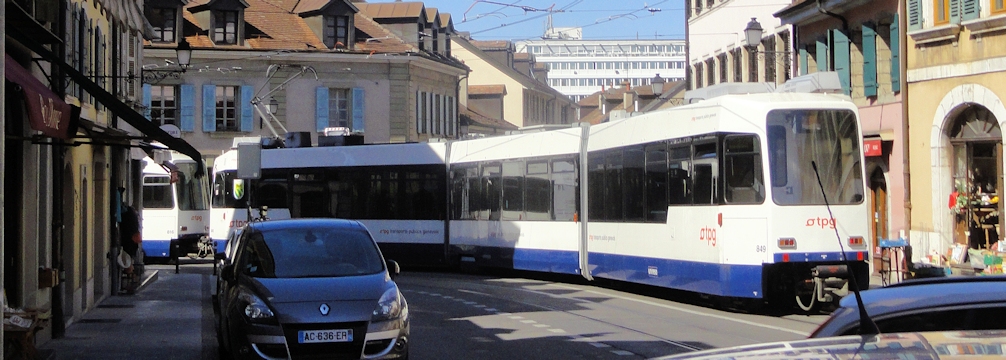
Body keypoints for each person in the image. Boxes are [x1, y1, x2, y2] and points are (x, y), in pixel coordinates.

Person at [119, 203, 141, 293]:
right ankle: (132, 281)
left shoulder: (128, 216)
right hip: (133, 241)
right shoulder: (132, 215)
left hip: (129, 242)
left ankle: (132, 281)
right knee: (129, 261)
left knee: (127, 262)